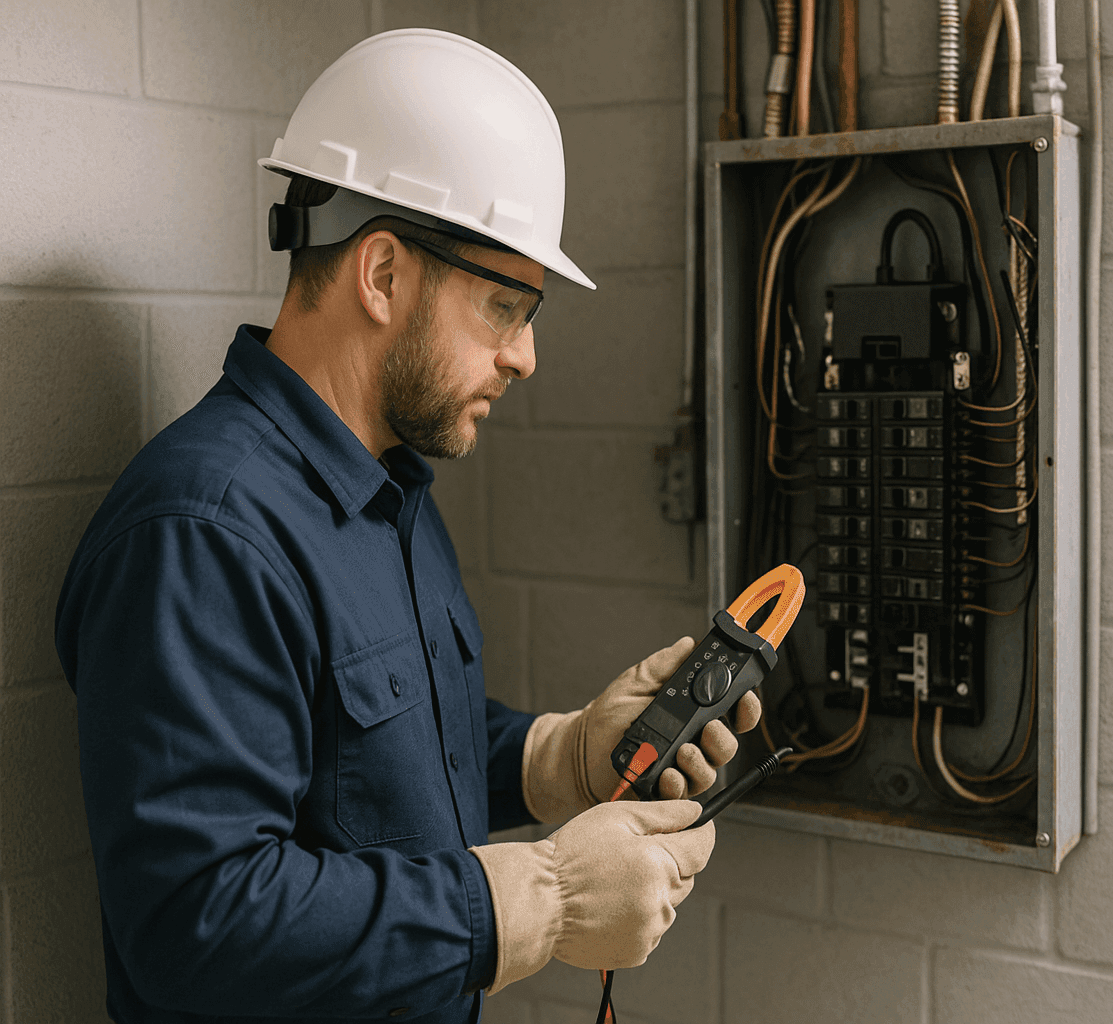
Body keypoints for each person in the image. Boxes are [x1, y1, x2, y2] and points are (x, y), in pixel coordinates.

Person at [53, 29, 755, 1024]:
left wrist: (561, 757)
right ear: (382, 274)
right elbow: (194, 922)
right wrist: (540, 900)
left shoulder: (386, 489)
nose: (526, 356)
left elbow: (379, 760)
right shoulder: (202, 534)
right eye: (504, 306)